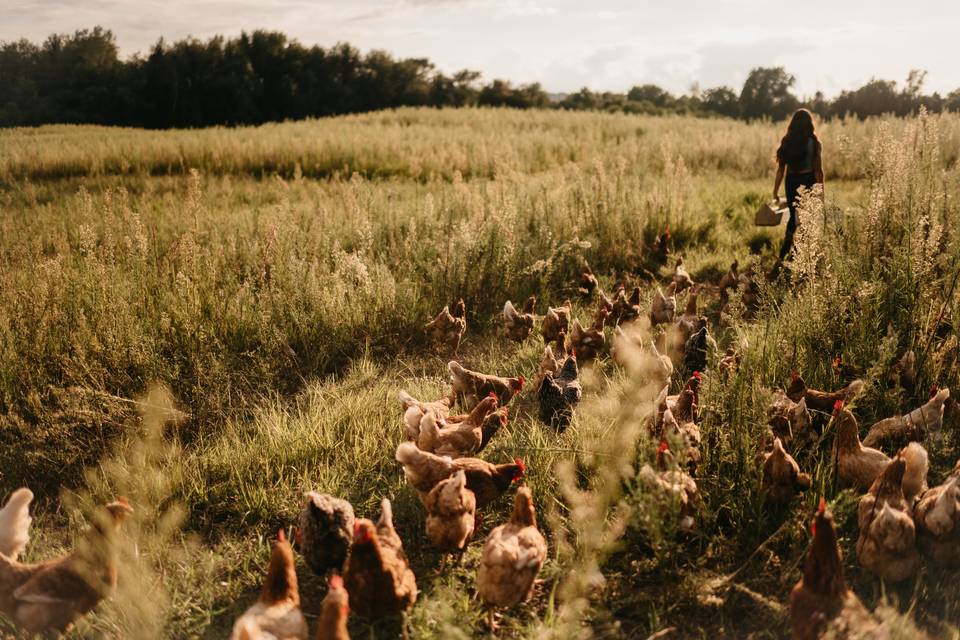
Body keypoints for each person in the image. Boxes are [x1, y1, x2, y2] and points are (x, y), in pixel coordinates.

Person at [771, 108, 823, 278]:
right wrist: (820, 192)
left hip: (791, 181)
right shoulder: (814, 143)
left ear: (792, 124)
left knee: (793, 218)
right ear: (809, 124)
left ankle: (784, 254)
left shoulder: (787, 141)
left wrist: (775, 192)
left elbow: (780, 171)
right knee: (807, 219)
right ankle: (802, 256)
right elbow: (818, 171)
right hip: (808, 181)